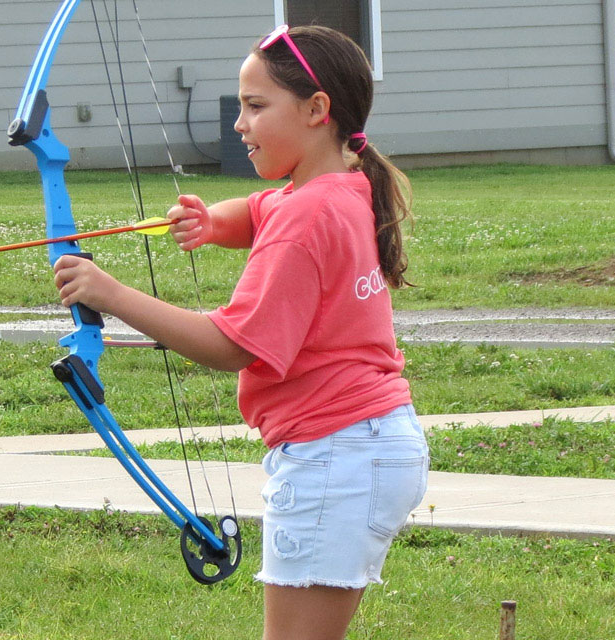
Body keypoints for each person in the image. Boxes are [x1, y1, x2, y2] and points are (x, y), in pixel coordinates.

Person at [53, 24, 429, 640]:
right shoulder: (338, 186)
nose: (239, 123)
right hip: (365, 445)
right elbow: (260, 210)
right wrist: (210, 222)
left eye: (256, 107)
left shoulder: (307, 216)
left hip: (335, 455)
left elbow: (232, 346)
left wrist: (111, 294)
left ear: (316, 110)